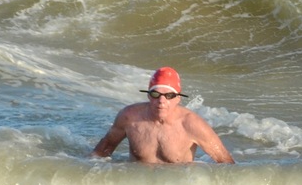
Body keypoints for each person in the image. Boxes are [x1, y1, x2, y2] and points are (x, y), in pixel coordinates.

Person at [92, 67, 235, 164]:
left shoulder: (192, 125)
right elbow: (100, 153)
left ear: (178, 98)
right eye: (155, 94)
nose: (161, 101)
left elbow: (227, 164)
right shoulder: (129, 117)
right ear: (148, 96)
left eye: (169, 95)